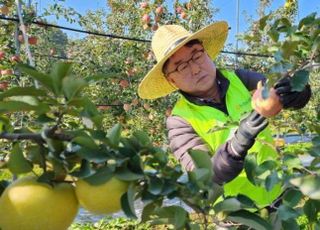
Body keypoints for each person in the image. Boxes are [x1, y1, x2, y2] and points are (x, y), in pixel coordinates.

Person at [137, 21, 311, 208]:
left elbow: (276, 88)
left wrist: (295, 90)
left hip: (277, 195)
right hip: (237, 216)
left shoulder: (240, 78)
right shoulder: (179, 122)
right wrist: (241, 139)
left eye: (196, 55)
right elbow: (204, 177)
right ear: (172, 80)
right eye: (181, 67)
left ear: (206, 52)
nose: (195, 69)